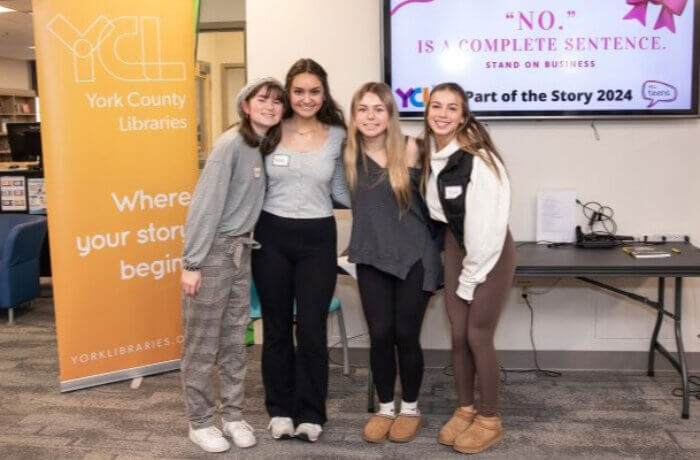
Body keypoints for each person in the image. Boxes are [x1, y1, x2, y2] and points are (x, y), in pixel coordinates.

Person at [180, 77, 286, 453]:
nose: (270, 106)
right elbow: (204, 205)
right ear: (246, 105)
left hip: (241, 253)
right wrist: (192, 262)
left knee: (234, 342)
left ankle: (234, 415)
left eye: (277, 102)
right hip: (212, 253)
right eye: (263, 99)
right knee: (202, 344)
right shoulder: (231, 145)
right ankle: (200, 421)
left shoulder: (259, 145)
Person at [251, 58, 351, 443]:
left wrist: (383, 199)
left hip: (317, 238)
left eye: (314, 91)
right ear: (288, 94)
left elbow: (341, 190)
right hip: (271, 235)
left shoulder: (339, 134)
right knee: (276, 329)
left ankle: (311, 413)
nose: (306, 98)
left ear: (323, 94)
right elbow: (253, 185)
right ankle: (279, 410)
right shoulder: (269, 130)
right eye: (299, 91)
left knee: (311, 330)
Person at [343, 82, 442, 444]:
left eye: (378, 109)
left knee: (405, 334)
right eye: (363, 109)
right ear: (354, 116)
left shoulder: (413, 147)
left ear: (390, 114)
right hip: (371, 257)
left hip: (415, 255)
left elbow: (438, 206)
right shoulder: (347, 155)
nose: (370, 116)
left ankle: (410, 408)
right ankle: (386, 408)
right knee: (381, 335)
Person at [423, 83, 515, 454]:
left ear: (463, 115)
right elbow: (438, 213)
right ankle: (465, 410)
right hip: (457, 248)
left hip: (489, 254)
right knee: (458, 335)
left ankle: (490, 419)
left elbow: (488, 228)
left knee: (477, 335)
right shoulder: (435, 155)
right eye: (436, 106)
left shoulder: (480, 159)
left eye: (451, 108)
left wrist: (471, 277)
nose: (442, 114)